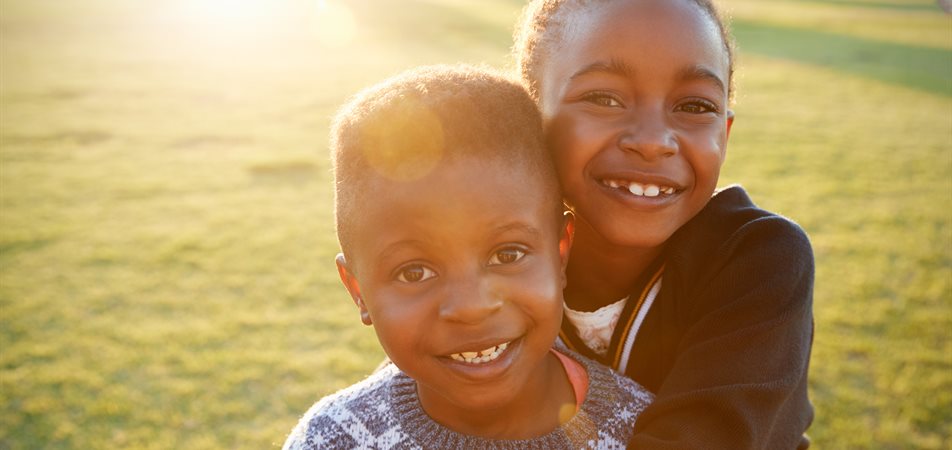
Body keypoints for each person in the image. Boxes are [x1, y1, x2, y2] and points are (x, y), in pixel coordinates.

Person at [282, 65, 653, 449]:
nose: (471, 307)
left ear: (560, 253)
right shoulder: (336, 438)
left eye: (507, 254)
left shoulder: (646, 430)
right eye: (414, 272)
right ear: (358, 290)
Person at [512, 1, 815, 448]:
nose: (653, 142)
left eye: (694, 105)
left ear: (724, 134)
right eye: (603, 98)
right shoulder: (493, 255)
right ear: (529, 117)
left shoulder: (759, 258)